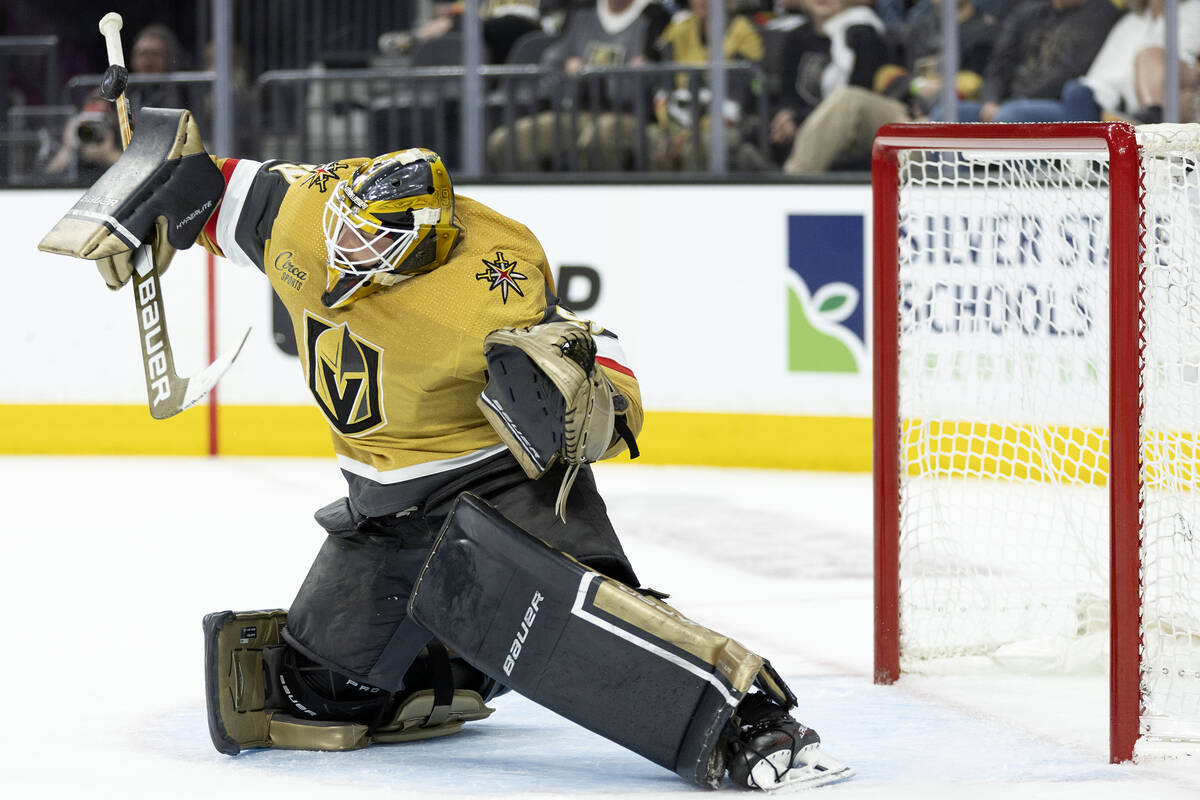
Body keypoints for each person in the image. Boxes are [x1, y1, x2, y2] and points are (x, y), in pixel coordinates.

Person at [37, 108, 854, 791]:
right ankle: (465, 657)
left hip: (495, 489)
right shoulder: (307, 214)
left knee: (583, 620)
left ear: (423, 245)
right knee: (316, 695)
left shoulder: (486, 286)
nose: (345, 259)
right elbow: (207, 183)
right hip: (383, 508)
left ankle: (752, 722)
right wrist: (141, 197)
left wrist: (588, 394)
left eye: (373, 251)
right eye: (344, 237)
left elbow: (595, 364)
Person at [778, 0, 994, 172]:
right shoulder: (919, 28)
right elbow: (887, 75)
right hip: (903, 111)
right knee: (850, 100)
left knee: (912, 142)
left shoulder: (986, 31)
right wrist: (914, 88)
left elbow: (980, 86)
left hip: (947, 121)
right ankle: (793, 183)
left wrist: (928, 107)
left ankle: (896, 218)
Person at [486, 0, 673, 171]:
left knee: (599, 137)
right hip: (576, 113)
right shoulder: (581, 9)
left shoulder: (654, 16)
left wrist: (590, 73)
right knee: (505, 142)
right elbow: (551, 69)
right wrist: (575, 76)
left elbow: (646, 84)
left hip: (630, 116)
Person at [983, 0, 1200, 122]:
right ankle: (1082, 175)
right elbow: (1101, 77)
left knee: (1011, 114)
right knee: (1078, 91)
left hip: (1174, 100)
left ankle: (1084, 175)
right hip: (1116, 108)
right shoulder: (1130, 22)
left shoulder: (1194, 11)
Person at [932, 0, 1121, 123]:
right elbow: (1000, 62)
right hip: (1006, 103)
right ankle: (955, 184)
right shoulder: (1029, 12)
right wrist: (991, 100)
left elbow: (1073, 70)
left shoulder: (1101, 13)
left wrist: (1011, 104)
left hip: (1061, 105)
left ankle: (1021, 184)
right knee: (944, 117)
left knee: (1011, 117)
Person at [765, 0, 889, 169]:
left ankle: (792, 177)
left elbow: (857, 95)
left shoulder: (863, 33)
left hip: (853, 130)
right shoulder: (796, 37)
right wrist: (786, 113)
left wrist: (799, 118)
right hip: (801, 122)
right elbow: (788, 92)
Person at [650, 0, 766, 170]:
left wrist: (687, 133)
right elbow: (662, 90)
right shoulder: (678, 30)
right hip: (680, 122)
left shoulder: (744, 33)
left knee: (693, 148)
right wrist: (673, 129)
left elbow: (737, 102)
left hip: (729, 123)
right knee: (654, 140)